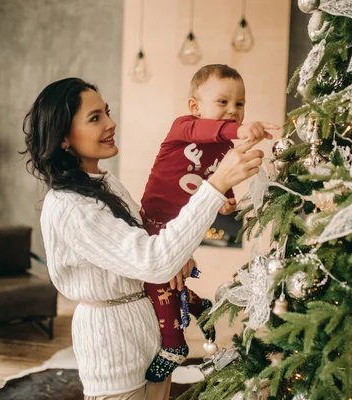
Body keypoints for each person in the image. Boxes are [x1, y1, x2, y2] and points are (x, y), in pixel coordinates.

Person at [22, 77, 265, 400]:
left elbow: (141, 245)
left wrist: (179, 256)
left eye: (106, 112)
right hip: (113, 348)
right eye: (95, 118)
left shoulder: (104, 183)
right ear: (64, 138)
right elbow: (153, 261)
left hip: (146, 332)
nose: (111, 123)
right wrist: (216, 184)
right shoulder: (71, 206)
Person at [140, 64, 279, 382]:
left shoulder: (224, 145)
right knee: (153, 279)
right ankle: (184, 327)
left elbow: (219, 173)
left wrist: (228, 199)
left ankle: (176, 339)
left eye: (240, 104)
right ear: (194, 106)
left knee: (162, 280)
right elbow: (210, 131)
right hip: (154, 219)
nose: (233, 111)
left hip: (183, 227)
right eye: (223, 102)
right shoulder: (183, 127)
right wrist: (239, 130)